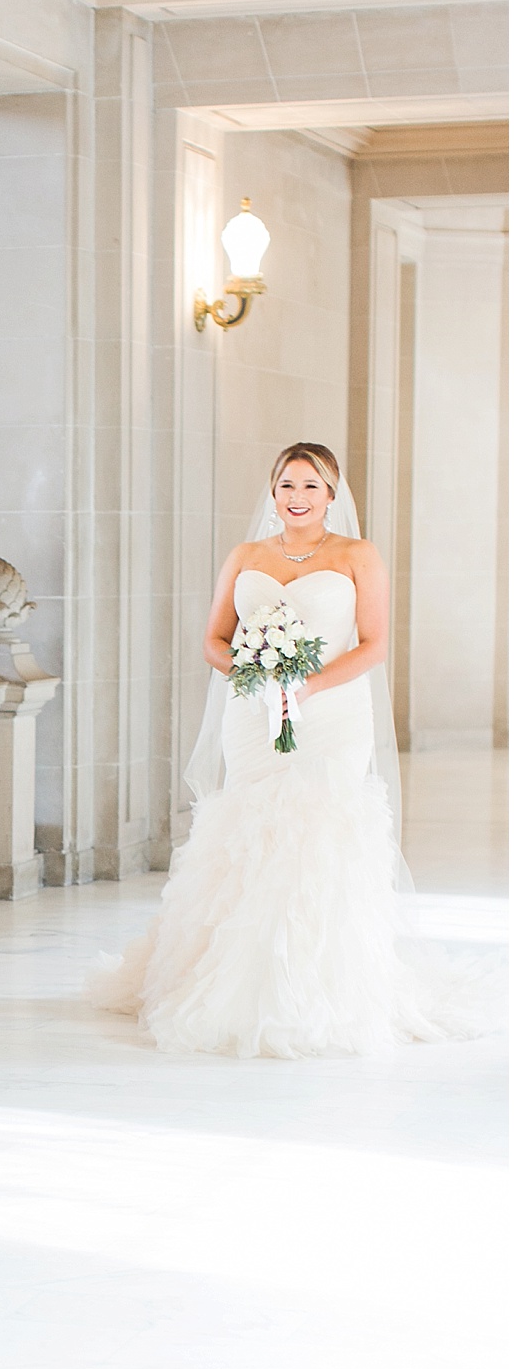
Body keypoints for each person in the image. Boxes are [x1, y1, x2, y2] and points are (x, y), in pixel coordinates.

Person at [93, 441, 480, 1058]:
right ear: (272, 493)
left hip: (331, 715)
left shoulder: (358, 556)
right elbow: (214, 639)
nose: (297, 499)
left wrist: (305, 685)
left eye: (310, 486)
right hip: (251, 715)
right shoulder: (246, 555)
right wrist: (252, 670)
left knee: (319, 829)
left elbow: (375, 644)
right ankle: (228, 977)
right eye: (286, 486)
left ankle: (318, 985)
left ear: (331, 493)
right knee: (250, 829)